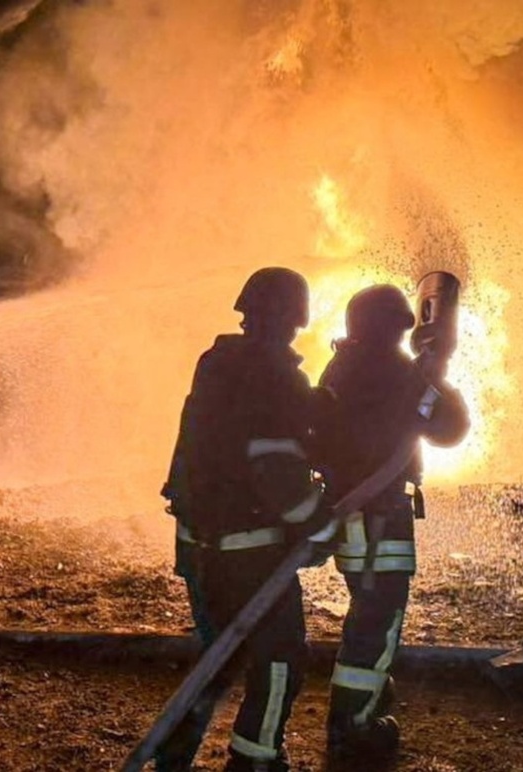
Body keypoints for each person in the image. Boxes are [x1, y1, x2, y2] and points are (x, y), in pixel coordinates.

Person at [158, 267, 328, 772]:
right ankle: (257, 761)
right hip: (249, 553)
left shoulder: (217, 363)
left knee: (218, 660)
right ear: (297, 317)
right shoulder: (275, 374)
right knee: (279, 659)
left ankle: (173, 757)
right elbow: (275, 464)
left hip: (198, 547)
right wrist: (318, 524)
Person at [313, 284, 468, 760]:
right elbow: (448, 428)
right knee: (378, 622)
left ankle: (369, 694)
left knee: (366, 611)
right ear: (392, 329)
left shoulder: (342, 365)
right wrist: (437, 373)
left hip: (353, 515)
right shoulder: (394, 371)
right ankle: (353, 727)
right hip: (382, 516)